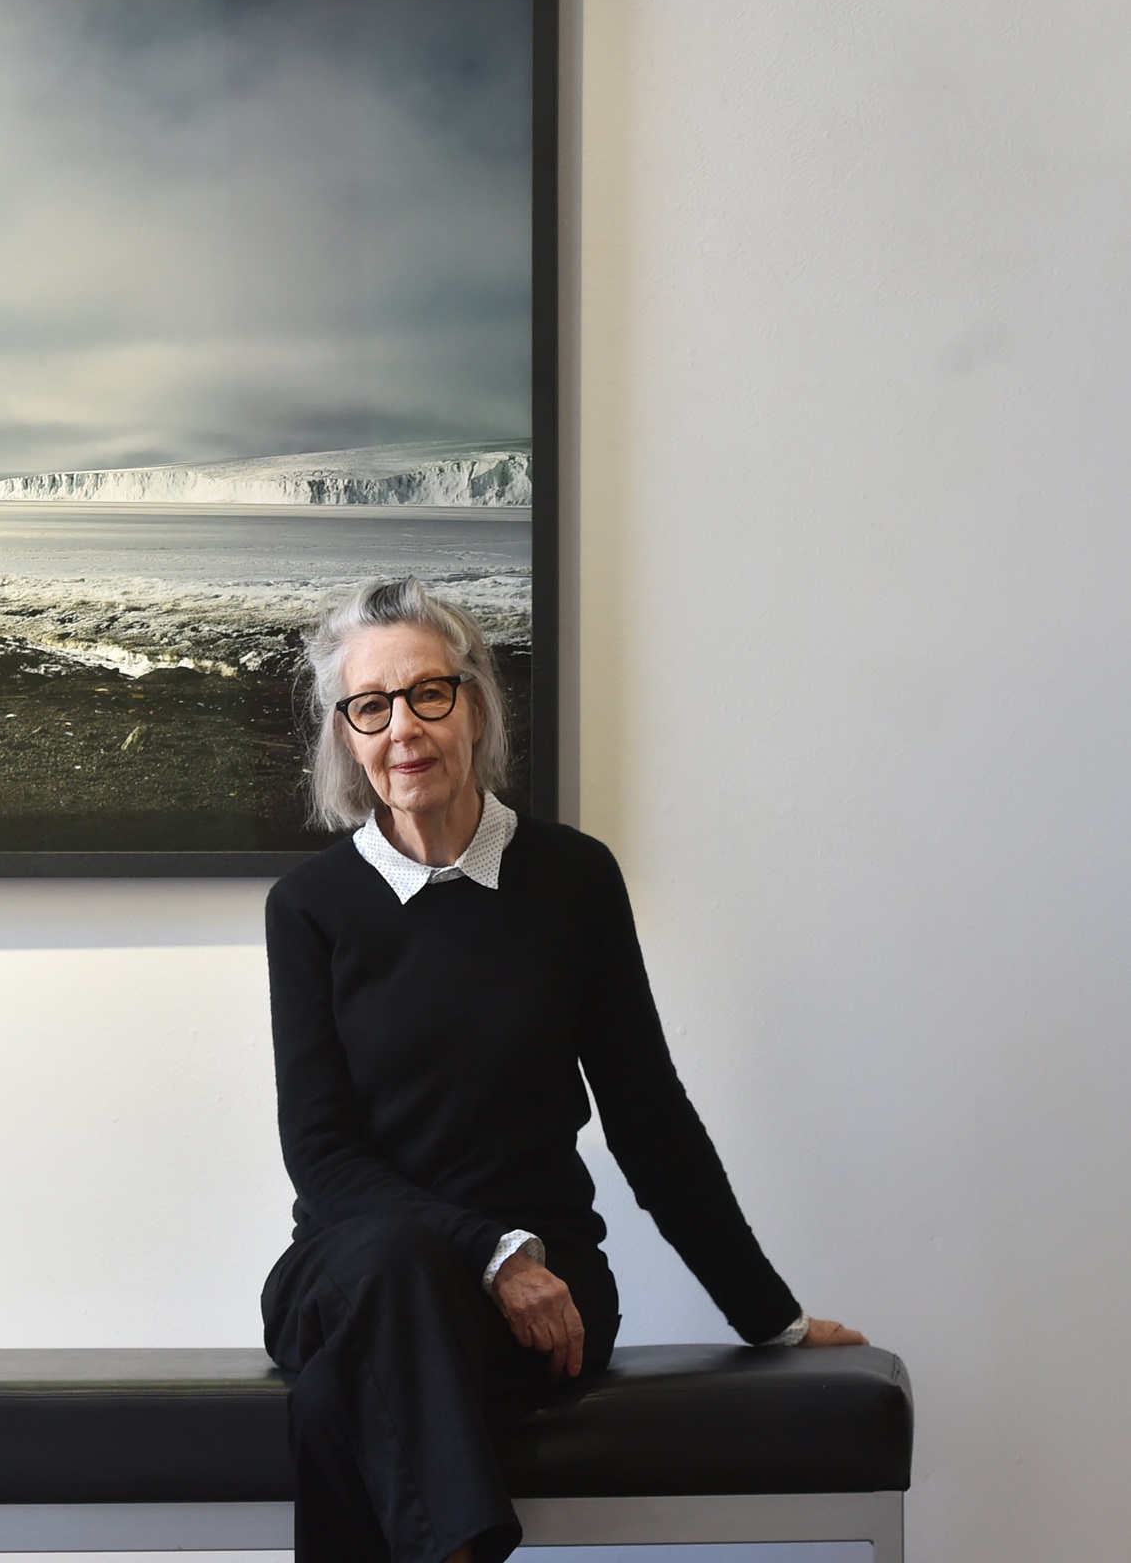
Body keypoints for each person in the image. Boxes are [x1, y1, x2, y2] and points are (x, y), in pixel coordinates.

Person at [261, 577, 864, 1563]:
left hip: (551, 1288)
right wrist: (494, 1250)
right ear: (344, 732)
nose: (402, 727)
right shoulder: (311, 907)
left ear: (477, 702)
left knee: (339, 1398)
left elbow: (648, 1116)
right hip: (353, 1271)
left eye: (428, 694)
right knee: (394, 1259)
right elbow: (323, 1158)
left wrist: (774, 1316)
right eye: (371, 705)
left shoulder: (573, 881)